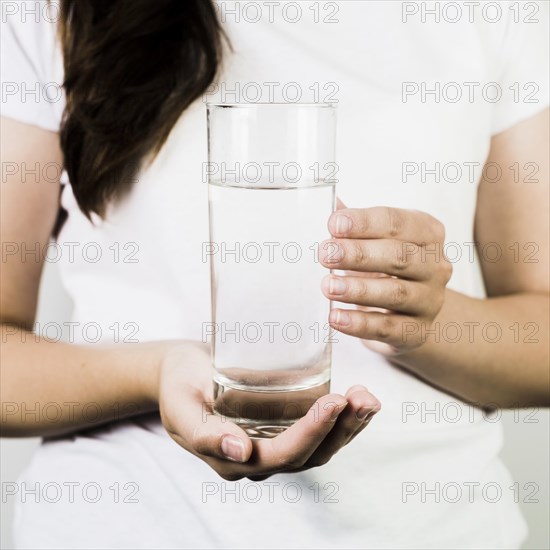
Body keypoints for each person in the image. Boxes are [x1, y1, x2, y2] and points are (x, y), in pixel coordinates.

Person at [1, 1, 548, 548]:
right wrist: (155, 371)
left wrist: (424, 321)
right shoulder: (46, 12)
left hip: (438, 530)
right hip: (120, 527)